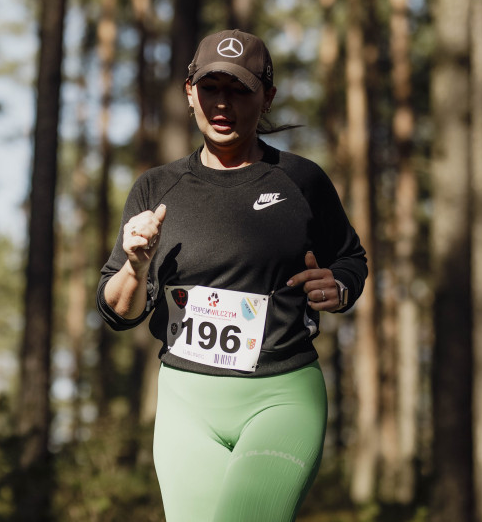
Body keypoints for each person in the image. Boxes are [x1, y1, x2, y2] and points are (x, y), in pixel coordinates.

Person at [96, 29, 368, 522]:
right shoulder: (157, 188)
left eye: (240, 89)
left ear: (267, 96)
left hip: (281, 398)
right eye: (211, 88)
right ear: (189, 91)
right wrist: (136, 266)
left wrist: (340, 285)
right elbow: (118, 311)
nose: (223, 104)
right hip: (186, 404)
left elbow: (351, 259)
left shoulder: (302, 180)